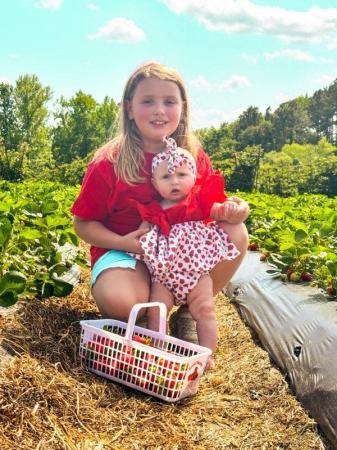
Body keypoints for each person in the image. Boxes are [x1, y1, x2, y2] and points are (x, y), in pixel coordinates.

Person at [71, 60, 250, 357]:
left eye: (169, 101)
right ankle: (144, 316)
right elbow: (83, 224)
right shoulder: (109, 162)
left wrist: (234, 211)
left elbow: (211, 207)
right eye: (148, 101)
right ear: (129, 108)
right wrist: (124, 242)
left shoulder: (191, 155)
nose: (159, 110)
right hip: (127, 251)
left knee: (237, 233)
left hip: (180, 251)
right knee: (122, 302)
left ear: (183, 108)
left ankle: (191, 310)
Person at [127, 136, 242, 368]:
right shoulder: (154, 210)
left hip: (197, 275)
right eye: (166, 177)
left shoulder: (200, 202)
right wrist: (137, 241)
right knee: (157, 311)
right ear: (154, 182)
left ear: (193, 176)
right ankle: (158, 350)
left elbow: (222, 212)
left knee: (206, 310)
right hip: (164, 277)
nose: (174, 182)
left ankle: (206, 355)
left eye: (181, 175)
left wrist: (234, 209)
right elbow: (143, 233)